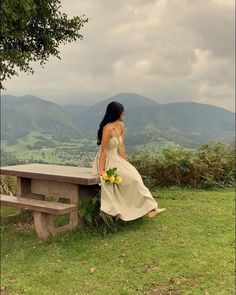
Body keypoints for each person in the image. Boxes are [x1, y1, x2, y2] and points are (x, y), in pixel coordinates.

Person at [92, 101, 166, 221]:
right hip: (107, 160)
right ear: (117, 113)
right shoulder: (107, 128)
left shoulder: (121, 126)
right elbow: (104, 151)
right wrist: (101, 170)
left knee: (135, 177)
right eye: (122, 112)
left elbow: (121, 146)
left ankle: (152, 208)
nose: (124, 114)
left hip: (117, 159)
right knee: (132, 180)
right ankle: (148, 208)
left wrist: (124, 163)